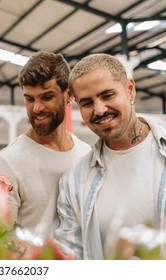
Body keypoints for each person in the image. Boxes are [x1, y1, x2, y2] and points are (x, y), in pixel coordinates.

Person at [55, 53, 166, 259]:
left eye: (107, 96)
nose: (99, 109)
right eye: (87, 103)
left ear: (130, 90)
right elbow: (71, 254)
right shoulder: (74, 182)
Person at [0, 51, 91, 234]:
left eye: (46, 97)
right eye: (30, 99)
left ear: (69, 95)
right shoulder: (6, 162)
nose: (37, 108)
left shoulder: (85, 153)